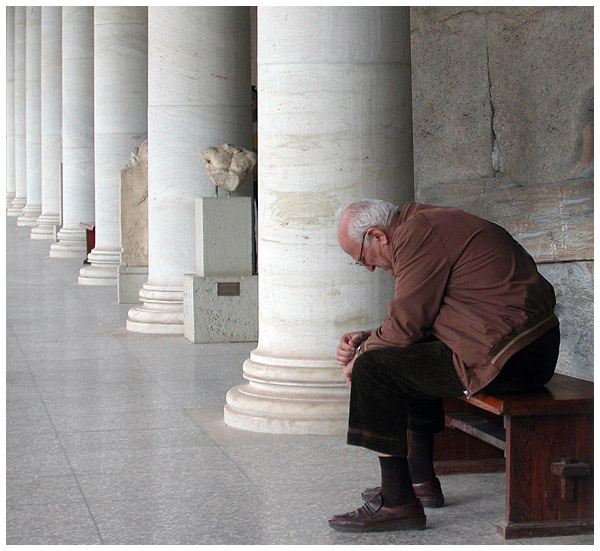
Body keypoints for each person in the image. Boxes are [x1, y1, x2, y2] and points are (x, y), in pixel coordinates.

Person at [329, 199, 559, 532]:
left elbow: (406, 326)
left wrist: (364, 355)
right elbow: (417, 321)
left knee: (374, 370)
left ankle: (396, 502)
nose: (368, 267)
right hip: (526, 350)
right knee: (401, 357)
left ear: (378, 236)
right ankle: (419, 479)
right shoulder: (427, 223)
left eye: (362, 259)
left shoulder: (416, 233)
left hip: (512, 357)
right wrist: (370, 337)